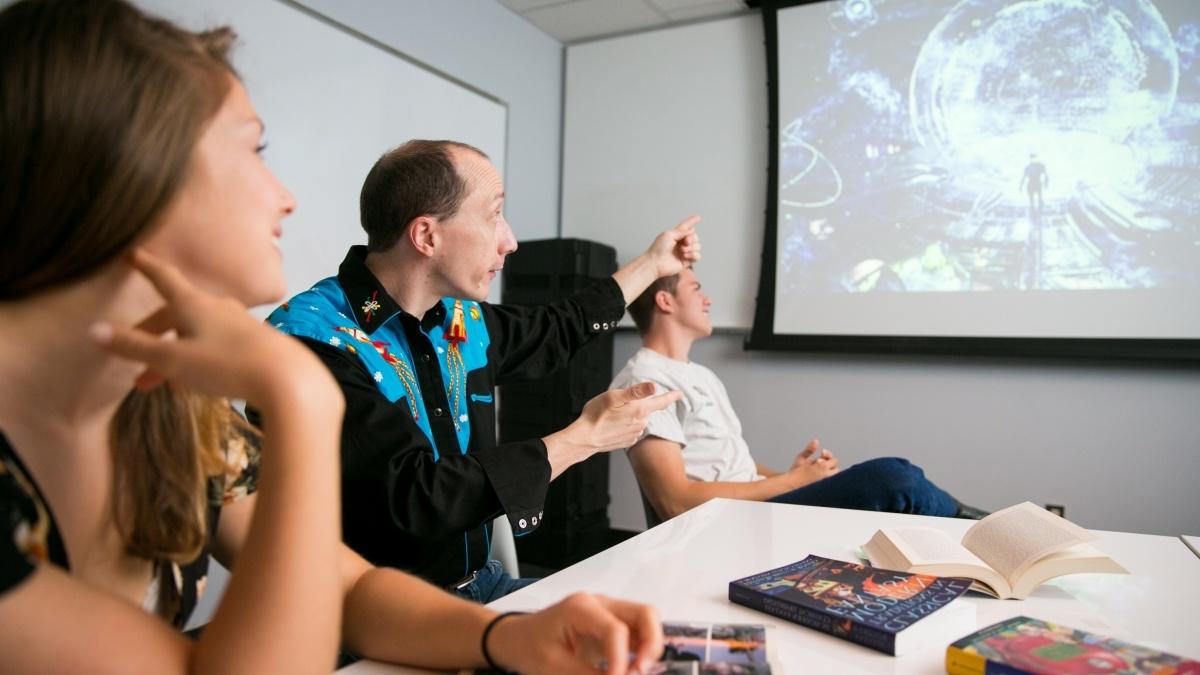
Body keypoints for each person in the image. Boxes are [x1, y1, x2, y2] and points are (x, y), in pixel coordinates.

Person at [0, 2, 663, 673]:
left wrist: (508, 638)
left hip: (449, 601)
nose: (284, 195)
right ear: (125, 169)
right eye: (252, 148)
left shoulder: (175, 413)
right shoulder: (304, 342)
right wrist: (300, 398)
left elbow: (350, 587)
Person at [267, 137, 700, 601]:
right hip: (379, 610)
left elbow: (559, 327)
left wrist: (654, 264)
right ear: (427, 236)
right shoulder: (313, 342)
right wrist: (584, 437)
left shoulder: (460, 321)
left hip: (482, 583)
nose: (509, 241)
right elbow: (418, 498)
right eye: (494, 215)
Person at [613, 267, 987, 525]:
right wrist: (793, 484)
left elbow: (732, 465)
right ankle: (983, 530)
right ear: (665, 301)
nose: (708, 299)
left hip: (753, 507)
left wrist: (797, 477)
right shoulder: (645, 379)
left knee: (896, 475)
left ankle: (984, 531)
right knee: (891, 477)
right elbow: (675, 502)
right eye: (696, 288)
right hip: (726, 524)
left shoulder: (701, 374)